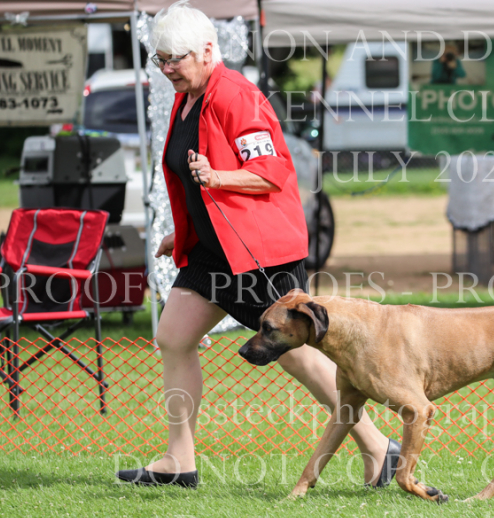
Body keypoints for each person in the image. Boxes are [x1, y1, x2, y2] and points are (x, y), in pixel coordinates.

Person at [116, 1, 399, 489]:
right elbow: (194, 182)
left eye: (175, 59)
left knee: (297, 354)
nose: (166, 69)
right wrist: (183, 231)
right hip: (213, 250)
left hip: (258, 253)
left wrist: (218, 177)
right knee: (174, 337)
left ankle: (378, 446)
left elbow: (271, 172)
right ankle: (179, 461)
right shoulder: (189, 97)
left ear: (208, 51)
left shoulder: (236, 96)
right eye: (159, 59)